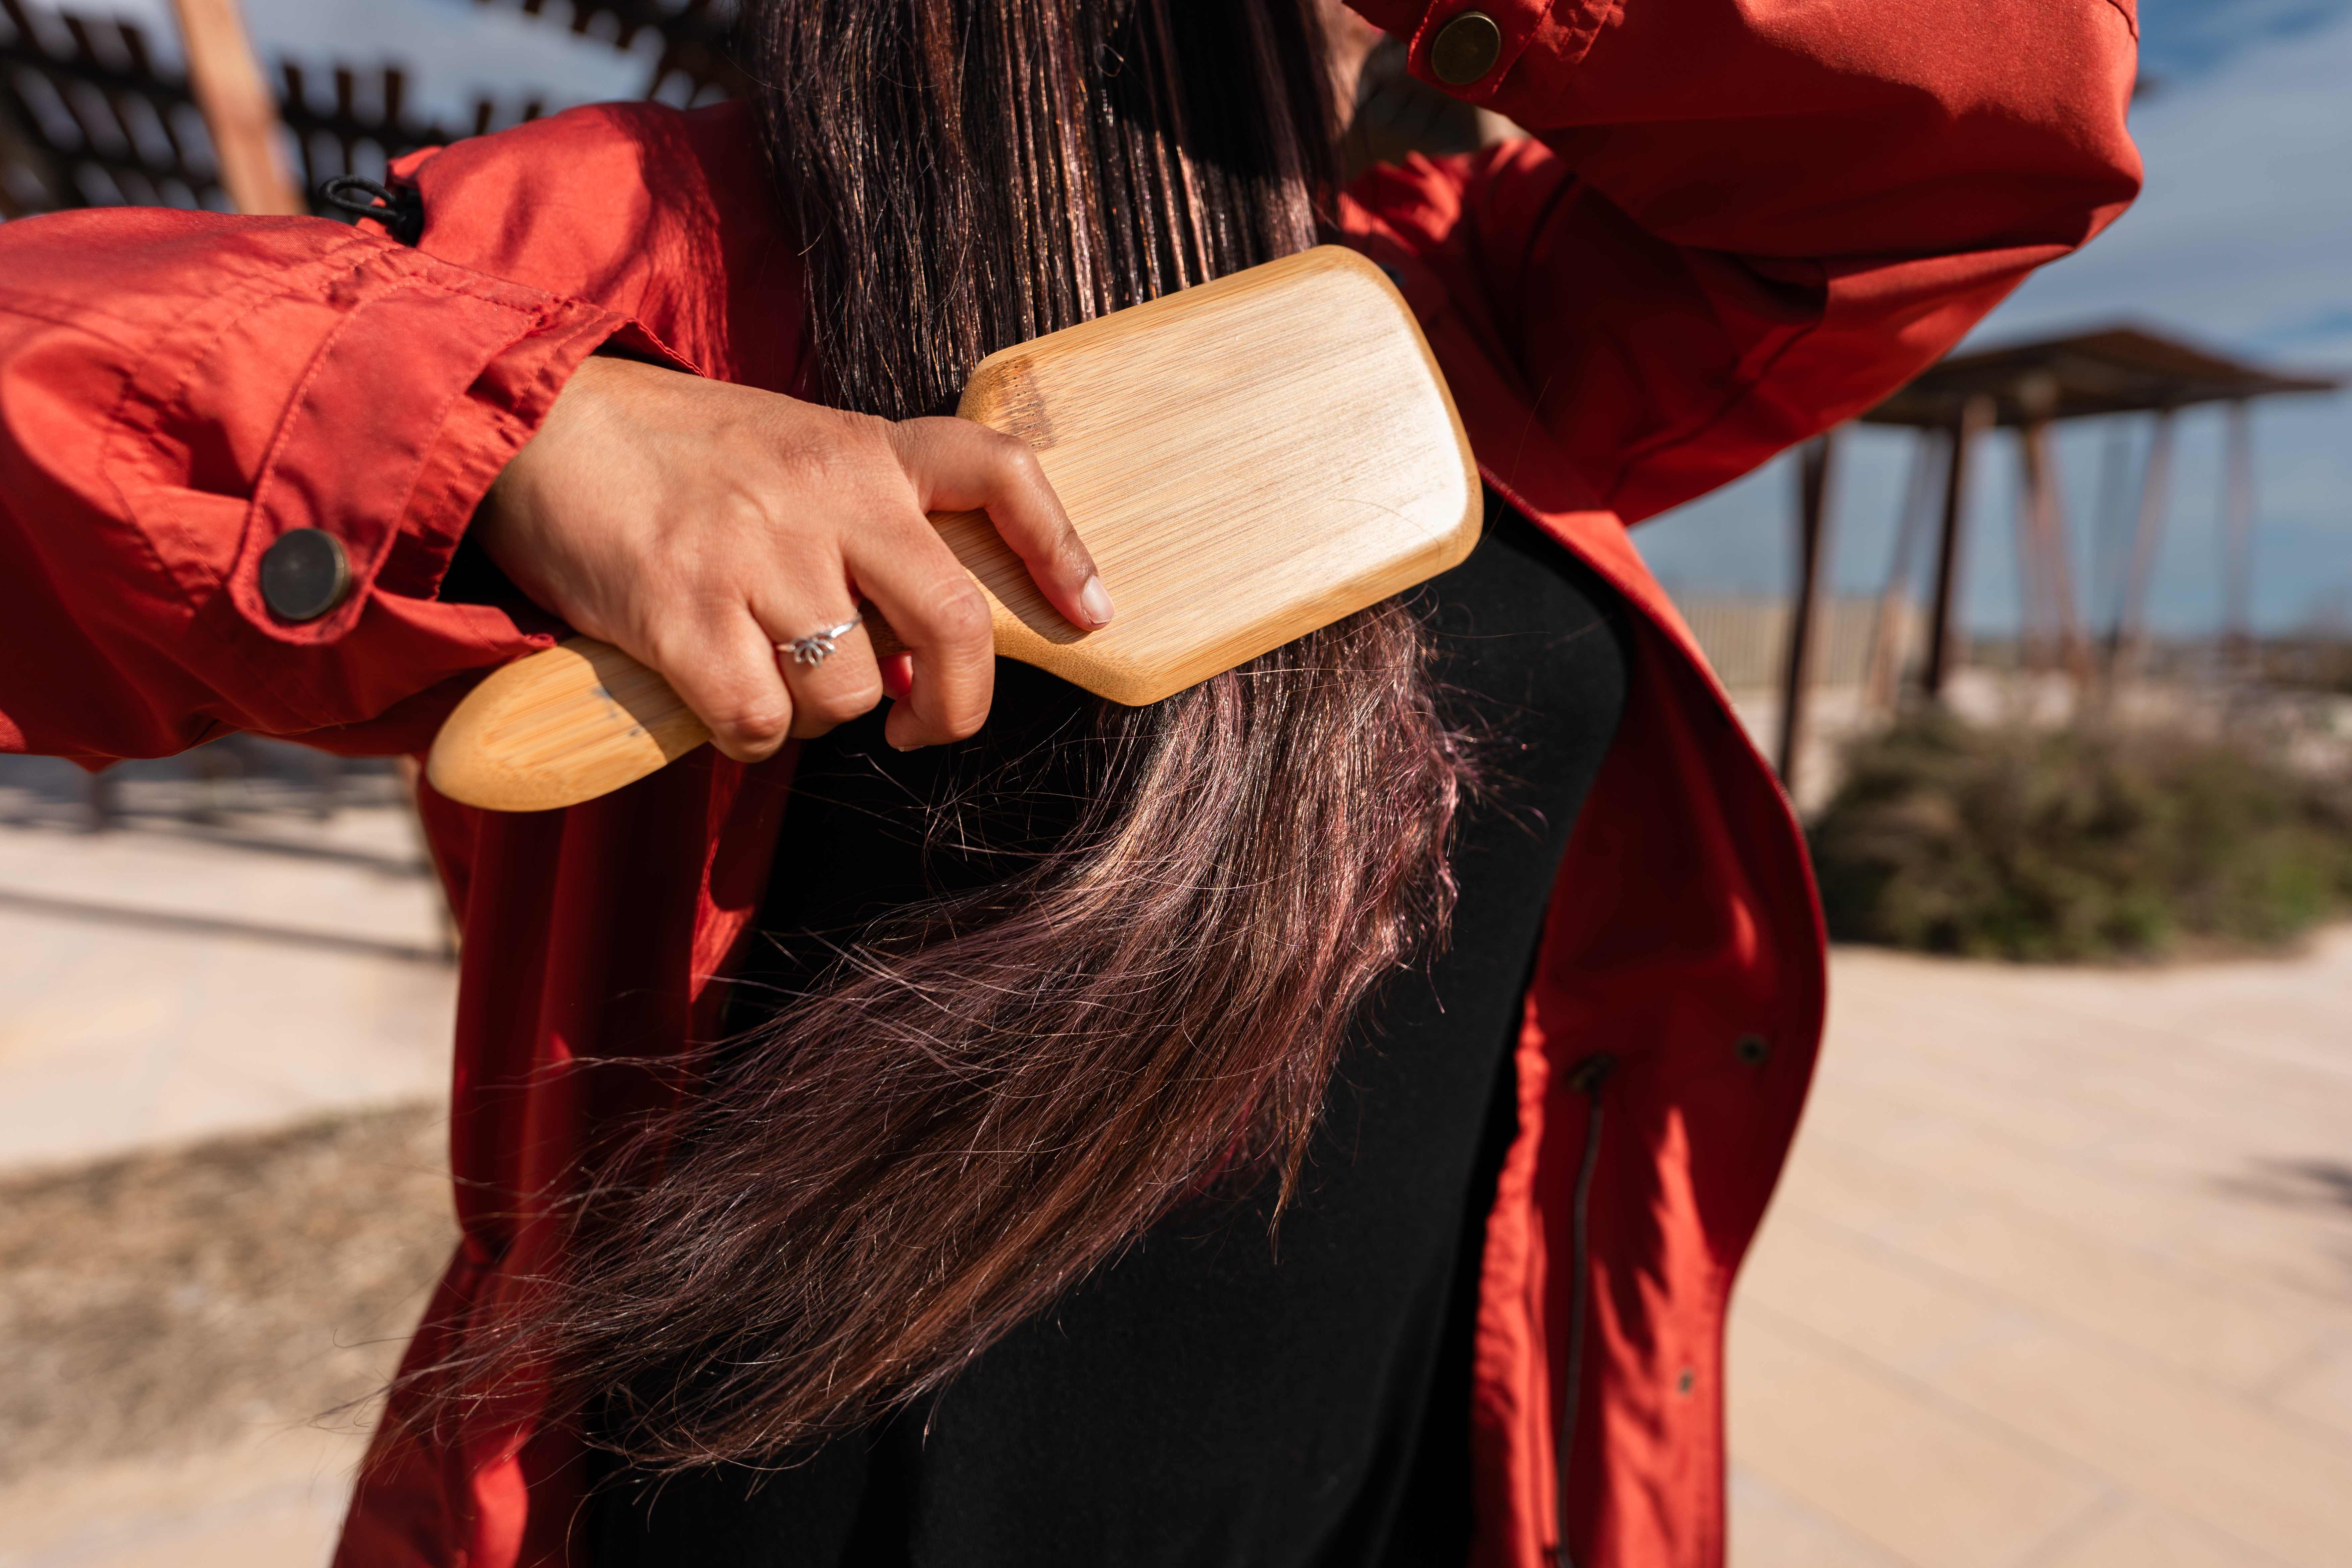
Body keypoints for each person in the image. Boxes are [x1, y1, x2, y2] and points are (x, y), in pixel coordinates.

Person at [0, 0, 2138, 1563]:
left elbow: (1993, 140)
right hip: (775, 1502)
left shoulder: (1476, 297)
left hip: (1414, 1492)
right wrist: (517, 437)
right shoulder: (647, 240)